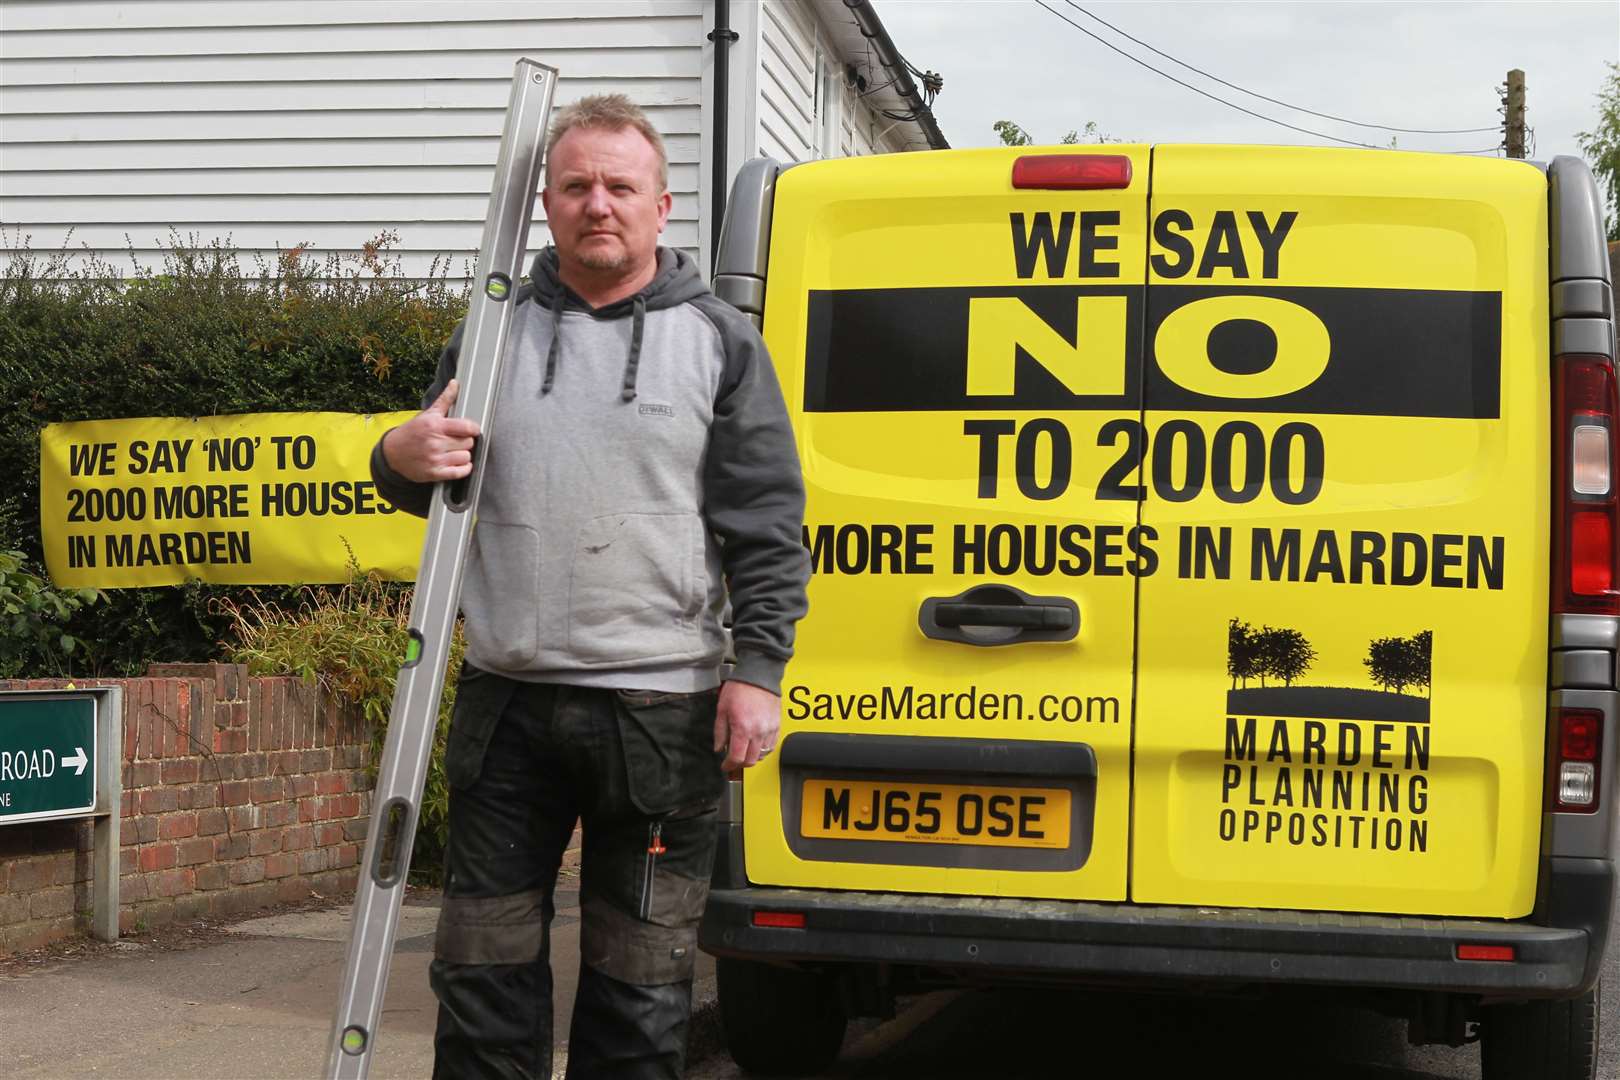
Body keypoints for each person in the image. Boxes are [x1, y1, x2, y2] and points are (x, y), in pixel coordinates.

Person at [371, 93, 811, 1079]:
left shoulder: (720, 343)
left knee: (641, 992)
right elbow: (431, 473)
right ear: (547, 203)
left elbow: (768, 526)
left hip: (663, 711)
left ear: (662, 206)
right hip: (509, 704)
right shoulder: (491, 332)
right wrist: (398, 452)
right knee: (480, 979)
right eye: (576, 186)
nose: (597, 204)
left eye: (620, 186)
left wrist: (761, 671)